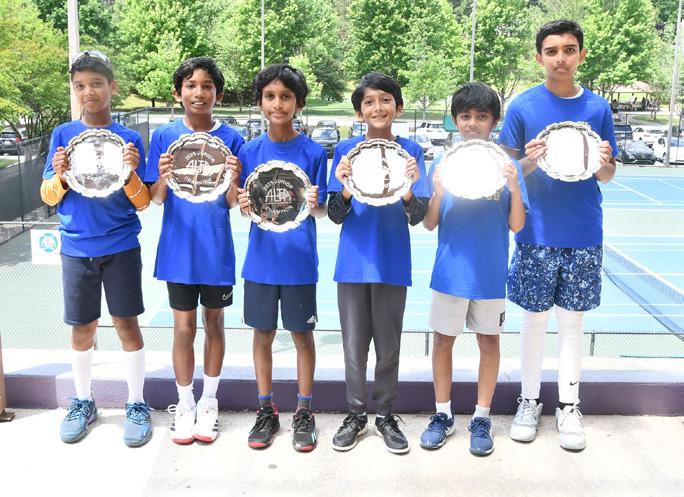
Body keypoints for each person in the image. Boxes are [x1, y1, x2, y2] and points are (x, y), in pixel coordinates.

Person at [497, 20, 617, 451]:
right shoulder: (522, 107)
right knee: (533, 322)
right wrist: (529, 161)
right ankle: (528, 402)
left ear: (581, 55)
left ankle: (569, 406)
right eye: (551, 51)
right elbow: (506, 171)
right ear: (539, 57)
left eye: (569, 49)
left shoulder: (599, 109)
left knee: (572, 324)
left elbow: (607, 174)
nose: (560, 58)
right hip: (535, 233)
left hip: (584, 232)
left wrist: (604, 160)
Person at [40, 50, 152, 447]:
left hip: (121, 246)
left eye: (96, 84)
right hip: (76, 248)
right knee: (82, 327)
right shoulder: (63, 135)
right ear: (74, 90)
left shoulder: (130, 139)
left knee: (126, 325)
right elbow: (48, 195)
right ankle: (83, 401)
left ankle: (136, 403)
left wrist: (131, 171)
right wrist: (61, 174)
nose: (88, 92)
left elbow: (143, 201)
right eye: (80, 86)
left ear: (112, 87)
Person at [419, 82, 528, 456]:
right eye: (465, 116)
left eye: (481, 116)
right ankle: (442, 414)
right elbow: (429, 223)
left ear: (493, 122)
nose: (472, 123)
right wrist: (437, 193)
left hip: (489, 274)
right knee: (443, 342)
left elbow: (517, 225)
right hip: (450, 273)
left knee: (489, 342)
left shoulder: (507, 166)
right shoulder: (442, 164)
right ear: (454, 120)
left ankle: (482, 417)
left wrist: (514, 186)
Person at [327, 72, 429, 454]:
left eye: (385, 100)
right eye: (369, 102)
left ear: (398, 107)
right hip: (352, 263)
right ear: (359, 112)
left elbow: (418, 216)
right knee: (354, 347)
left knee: (389, 347)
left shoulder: (411, 153)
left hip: (392, 261)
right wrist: (345, 190)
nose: (378, 107)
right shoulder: (346, 152)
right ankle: (356, 414)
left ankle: (385, 414)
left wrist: (408, 193)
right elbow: (335, 214)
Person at [145, 57, 244, 444]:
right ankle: (184, 402)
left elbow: (233, 202)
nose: (198, 93)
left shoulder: (233, 139)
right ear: (177, 92)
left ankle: (209, 402)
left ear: (218, 94)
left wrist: (234, 178)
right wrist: (164, 177)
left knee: (215, 325)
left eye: (206, 86)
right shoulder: (164, 136)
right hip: (178, 251)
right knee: (183, 328)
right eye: (190, 85)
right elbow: (155, 198)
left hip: (216, 250)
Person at [236, 63, 327, 452]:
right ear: (260, 102)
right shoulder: (248, 151)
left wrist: (316, 203)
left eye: (286, 96)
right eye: (270, 96)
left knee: (302, 336)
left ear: (298, 103)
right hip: (260, 262)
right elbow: (246, 207)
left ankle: (304, 411)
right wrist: (242, 204)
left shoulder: (314, 152)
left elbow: (320, 211)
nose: (278, 104)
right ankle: (266, 410)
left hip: (299, 263)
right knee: (263, 335)